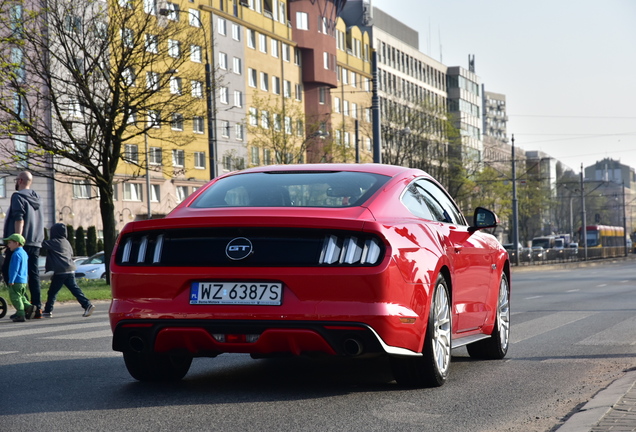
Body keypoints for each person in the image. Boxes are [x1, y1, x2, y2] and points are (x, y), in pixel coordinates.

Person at [2, 171, 45, 318]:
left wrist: (16, 240)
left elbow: (19, 218)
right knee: (33, 275)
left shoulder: (18, 196)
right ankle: (37, 308)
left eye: (16, 180)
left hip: (21, 242)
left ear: (20, 180)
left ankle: (24, 305)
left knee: (8, 272)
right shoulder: (38, 197)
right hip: (36, 241)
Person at [41, 223, 95, 318]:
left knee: (52, 292)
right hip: (70, 270)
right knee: (74, 289)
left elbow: (42, 244)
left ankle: (47, 311)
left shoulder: (55, 241)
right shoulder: (66, 242)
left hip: (61, 271)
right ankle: (87, 305)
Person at [4, 233, 35, 322]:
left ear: (17, 243)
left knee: (15, 297)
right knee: (21, 296)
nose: (8, 245)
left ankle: (20, 314)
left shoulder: (16, 254)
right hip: (23, 280)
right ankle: (29, 307)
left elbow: (15, 269)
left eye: (10, 242)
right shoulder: (24, 253)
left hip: (16, 280)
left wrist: (11, 280)